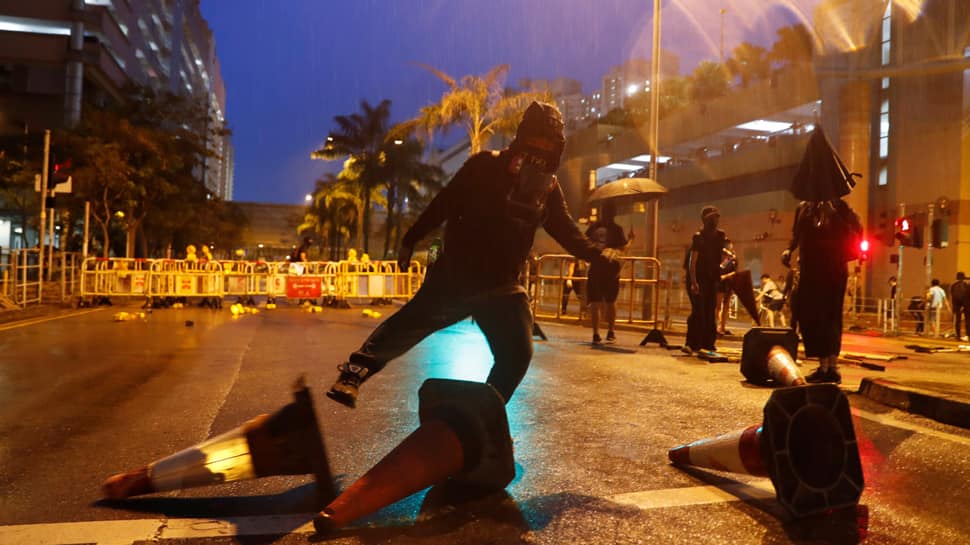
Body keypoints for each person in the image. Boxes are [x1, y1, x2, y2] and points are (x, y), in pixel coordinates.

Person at [325, 101, 619, 408]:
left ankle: (484, 412)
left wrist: (600, 255)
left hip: (502, 287)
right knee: (406, 326)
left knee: (518, 354)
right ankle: (353, 374)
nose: (541, 147)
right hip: (456, 276)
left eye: (548, 141)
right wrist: (410, 240)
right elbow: (444, 202)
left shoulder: (548, 189)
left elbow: (566, 231)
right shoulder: (484, 166)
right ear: (522, 137)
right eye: (536, 138)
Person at [783, 198, 862, 383]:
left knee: (831, 316)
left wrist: (833, 214)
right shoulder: (804, 208)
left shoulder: (840, 208)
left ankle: (831, 367)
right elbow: (797, 233)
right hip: (810, 269)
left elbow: (854, 232)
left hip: (834, 270)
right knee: (809, 315)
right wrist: (789, 249)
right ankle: (822, 364)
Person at [684, 205, 730, 355]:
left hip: (711, 278)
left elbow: (724, 256)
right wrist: (693, 281)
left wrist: (722, 267)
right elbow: (693, 261)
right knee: (698, 311)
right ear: (705, 219)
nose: (716, 220)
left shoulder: (720, 236)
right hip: (697, 277)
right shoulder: (698, 236)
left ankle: (708, 343)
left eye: (717, 217)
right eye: (712, 217)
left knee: (710, 310)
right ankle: (691, 343)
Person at [585, 201, 630, 343]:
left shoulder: (592, 228)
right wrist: (631, 240)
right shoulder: (617, 229)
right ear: (614, 214)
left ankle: (595, 334)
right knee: (611, 301)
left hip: (595, 267)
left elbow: (585, 243)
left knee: (595, 302)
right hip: (612, 269)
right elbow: (623, 250)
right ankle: (611, 331)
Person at [716, 243, 738, 335]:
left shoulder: (733, 259)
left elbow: (734, 272)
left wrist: (726, 276)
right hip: (719, 285)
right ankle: (716, 327)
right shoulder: (719, 257)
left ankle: (723, 327)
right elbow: (717, 271)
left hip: (728, 284)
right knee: (717, 306)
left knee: (726, 307)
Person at [950, 272, 969, 342]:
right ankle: (968, 335)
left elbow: (952, 295)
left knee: (957, 320)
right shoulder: (966, 285)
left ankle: (958, 335)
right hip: (966, 305)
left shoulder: (953, 285)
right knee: (967, 320)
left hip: (956, 305)